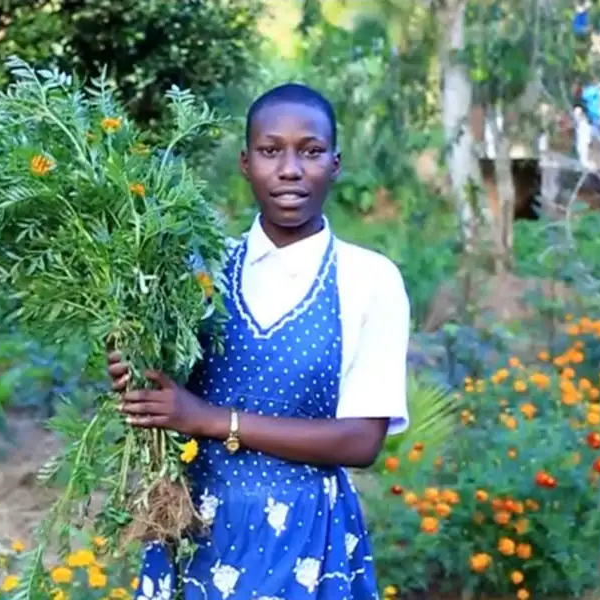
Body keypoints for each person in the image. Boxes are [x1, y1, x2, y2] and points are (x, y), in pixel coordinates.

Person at [107, 83, 410, 600]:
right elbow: (163, 394)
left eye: (310, 151)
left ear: (335, 163)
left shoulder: (369, 280)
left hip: (306, 539)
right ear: (246, 163)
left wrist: (209, 419)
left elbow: (362, 440)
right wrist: (133, 374)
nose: (290, 169)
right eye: (271, 151)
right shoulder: (197, 267)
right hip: (194, 526)